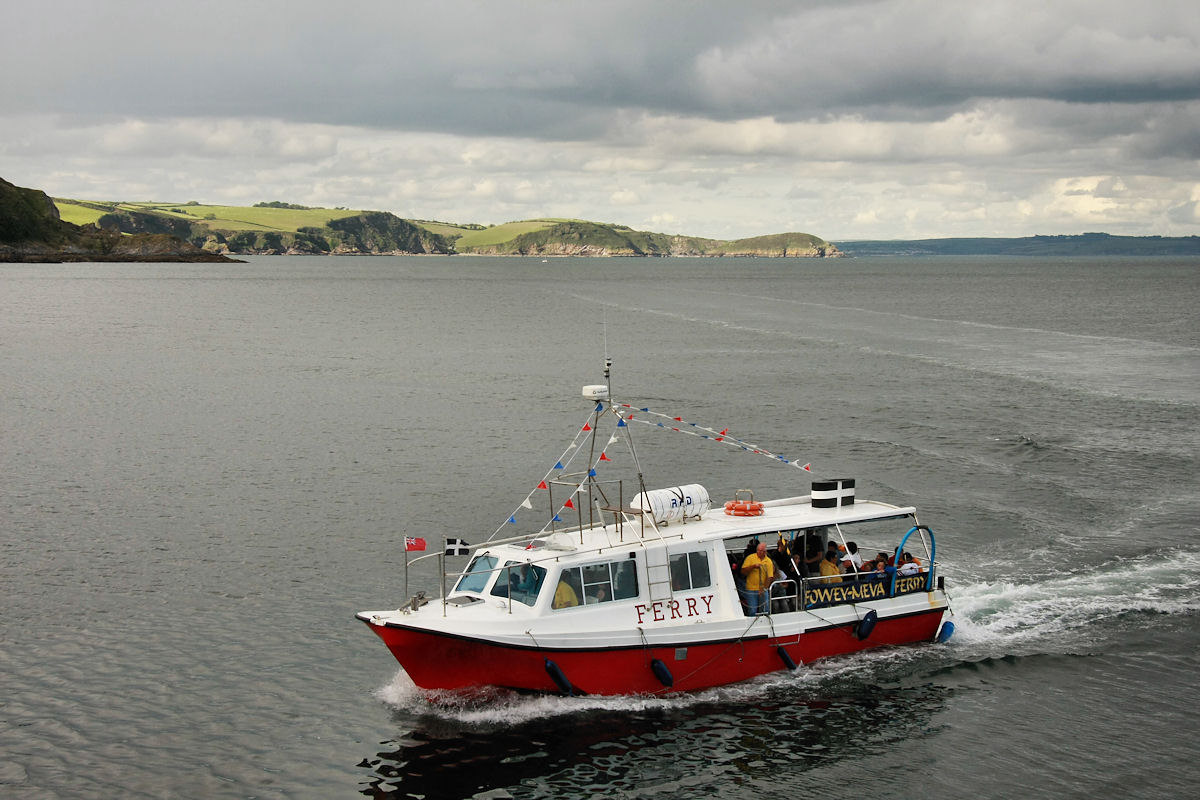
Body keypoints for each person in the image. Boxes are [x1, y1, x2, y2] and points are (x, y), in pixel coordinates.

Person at [741, 542, 776, 616]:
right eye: (758, 550)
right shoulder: (750, 558)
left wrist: (763, 588)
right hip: (751, 589)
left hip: (762, 589)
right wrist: (753, 567)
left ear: (765, 552)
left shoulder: (768, 561)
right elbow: (743, 571)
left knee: (765, 609)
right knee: (752, 610)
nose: (759, 552)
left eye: (761, 551)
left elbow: (770, 577)